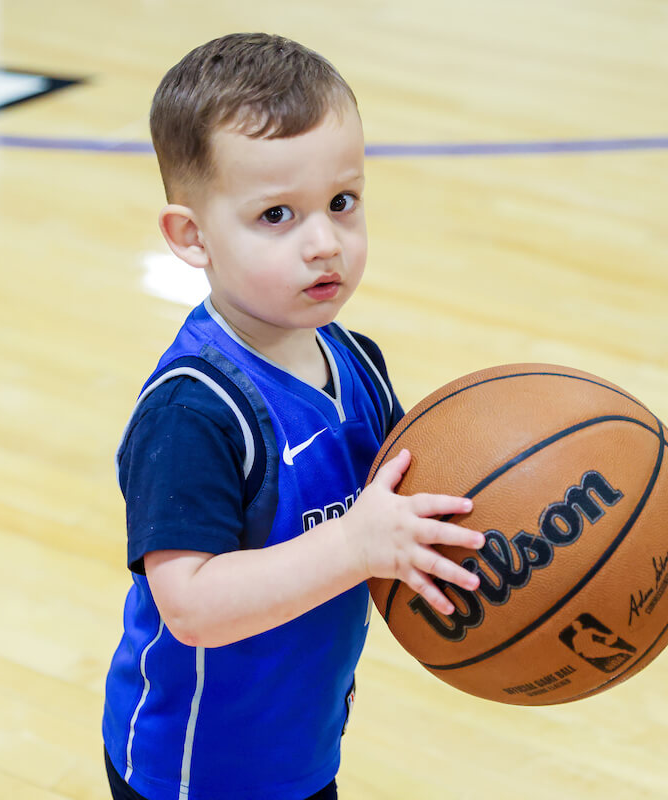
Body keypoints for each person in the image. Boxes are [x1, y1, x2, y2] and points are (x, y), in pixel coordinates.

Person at [102, 32, 485, 800]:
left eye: (342, 202)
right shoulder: (193, 411)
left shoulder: (358, 363)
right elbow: (194, 607)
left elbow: (402, 513)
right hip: (196, 771)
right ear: (192, 236)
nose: (324, 244)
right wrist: (355, 544)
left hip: (302, 749)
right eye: (277, 214)